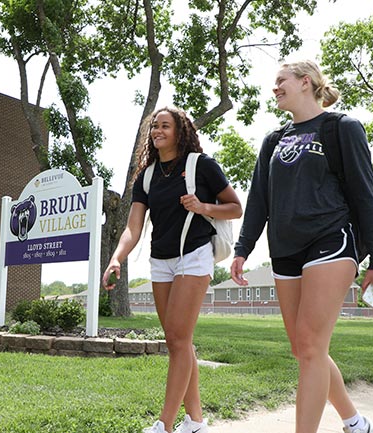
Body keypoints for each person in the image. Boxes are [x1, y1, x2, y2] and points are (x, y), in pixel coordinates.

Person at [231, 60, 373, 433]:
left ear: (306, 82)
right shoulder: (273, 139)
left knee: (308, 346)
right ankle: (356, 423)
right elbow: (259, 198)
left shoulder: (342, 127)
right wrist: (243, 247)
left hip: (331, 239)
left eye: (281, 81)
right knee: (306, 350)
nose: (274, 88)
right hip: (286, 248)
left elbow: (366, 194)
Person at [102, 107, 242, 433]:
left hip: (194, 255)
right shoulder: (147, 176)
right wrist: (116, 258)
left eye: (165, 126)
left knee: (178, 339)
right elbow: (132, 228)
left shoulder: (201, 166)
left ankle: (164, 425)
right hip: (160, 261)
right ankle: (195, 421)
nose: (157, 131)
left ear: (180, 131)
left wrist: (202, 206)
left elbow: (235, 207)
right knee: (178, 341)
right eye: (154, 126)